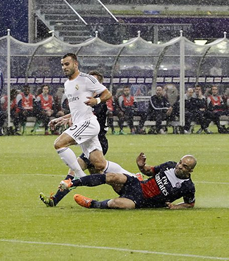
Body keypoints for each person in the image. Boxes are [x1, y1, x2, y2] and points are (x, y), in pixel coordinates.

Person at [39, 71, 132, 207]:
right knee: (102, 173)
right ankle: (131, 184)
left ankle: (55, 200)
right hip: (89, 139)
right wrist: (62, 118)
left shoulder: (99, 102)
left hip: (99, 140)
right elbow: (77, 113)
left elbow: (86, 115)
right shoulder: (87, 100)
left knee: (78, 170)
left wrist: (68, 119)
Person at [48, 53, 129, 179]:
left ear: (76, 64)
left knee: (59, 144)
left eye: (67, 64)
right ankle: (133, 177)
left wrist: (96, 101)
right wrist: (63, 118)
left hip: (88, 123)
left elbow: (107, 94)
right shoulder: (67, 84)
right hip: (82, 124)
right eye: (62, 65)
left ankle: (79, 175)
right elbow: (77, 109)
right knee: (100, 164)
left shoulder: (86, 79)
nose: (64, 67)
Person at [61, 152, 196, 210]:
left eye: (184, 166)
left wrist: (175, 207)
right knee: (114, 176)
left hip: (141, 201)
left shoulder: (188, 187)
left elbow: (190, 204)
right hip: (137, 184)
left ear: (190, 171)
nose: (179, 166)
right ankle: (73, 183)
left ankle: (92, 204)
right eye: (180, 162)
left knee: (117, 203)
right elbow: (149, 171)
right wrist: (141, 166)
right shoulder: (170, 165)